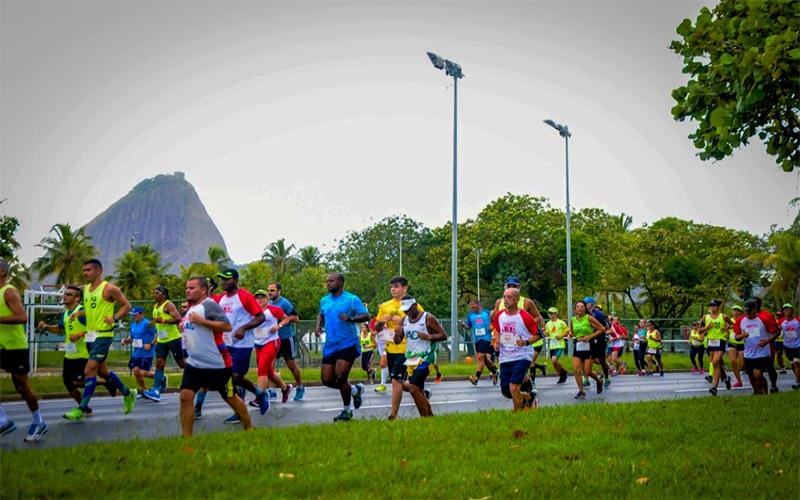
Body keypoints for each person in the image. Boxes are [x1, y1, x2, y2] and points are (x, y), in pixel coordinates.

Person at [64, 259, 137, 421]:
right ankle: (128, 392)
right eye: (84, 270)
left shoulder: (110, 289)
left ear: (99, 271)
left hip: (104, 335)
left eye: (88, 270)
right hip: (90, 336)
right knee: (103, 372)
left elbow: (127, 305)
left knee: (89, 370)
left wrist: (115, 317)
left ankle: (82, 409)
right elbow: (93, 311)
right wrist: (80, 314)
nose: (85, 273)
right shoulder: (86, 290)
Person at [179, 276, 252, 436]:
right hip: (194, 364)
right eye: (187, 288)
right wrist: (184, 326)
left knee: (231, 398)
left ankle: (249, 428)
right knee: (185, 397)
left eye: (192, 288)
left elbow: (226, 326)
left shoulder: (209, 306)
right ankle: (187, 440)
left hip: (217, 364)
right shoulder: (191, 307)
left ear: (204, 290)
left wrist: (201, 321)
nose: (188, 291)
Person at [195, 268, 265, 424]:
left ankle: (258, 393)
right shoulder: (221, 299)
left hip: (242, 344)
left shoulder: (244, 296)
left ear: (234, 280)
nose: (224, 282)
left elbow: (260, 317)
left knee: (236, 377)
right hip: (225, 343)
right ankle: (240, 411)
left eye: (226, 279)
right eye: (222, 279)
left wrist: (243, 328)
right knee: (227, 379)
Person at [38, 285, 110, 416]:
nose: (64, 296)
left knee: (77, 381)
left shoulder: (81, 312)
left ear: (77, 298)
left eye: (69, 294)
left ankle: (85, 407)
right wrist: (46, 326)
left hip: (83, 354)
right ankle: (88, 404)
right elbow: (60, 329)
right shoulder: (65, 313)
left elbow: (95, 329)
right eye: (65, 294)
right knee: (68, 383)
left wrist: (80, 335)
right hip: (70, 354)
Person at [0, 259, 47, 441]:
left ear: (3, 272)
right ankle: (3, 421)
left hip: (16, 346)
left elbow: (22, 317)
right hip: (1, 346)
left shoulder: (9, 292)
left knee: (22, 387)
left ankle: (39, 421)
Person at [315, 273, 369, 422]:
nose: (328, 284)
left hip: (348, 343)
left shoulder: (351, 299)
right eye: (327, 281)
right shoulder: (324, 300)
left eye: (331, 281)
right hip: (330, 345)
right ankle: (354, 390)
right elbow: (321, 315)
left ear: (341, 282)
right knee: (326, 380)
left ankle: (346, 411)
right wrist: (318, 326)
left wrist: (350, 319)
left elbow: (366, 316)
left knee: (340, 376)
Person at [377, 276, 429, 418]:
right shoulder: (385, 306)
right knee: (403, 383)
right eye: (391, 287)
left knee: (395, 381)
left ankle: (392, 415)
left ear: (405, 288)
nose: (393, 289)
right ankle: (421, 394)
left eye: (396, 286)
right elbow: (376, 328)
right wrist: (382, 322)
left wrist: (404, 321)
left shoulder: (414, 306)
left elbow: (423, 323)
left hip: (408, 350)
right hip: (391, 348)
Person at [392, 296, 448, 417]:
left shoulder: (428, 318)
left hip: (426, 357)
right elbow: (397, 341)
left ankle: (425, 417)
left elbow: (444, 335)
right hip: (411, 358)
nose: (407, 312)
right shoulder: (404, 320)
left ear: (415, 306)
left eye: (408, 309)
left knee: (412, 388)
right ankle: (430, 416)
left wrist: (428, 337)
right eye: (404, 310)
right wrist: (397, 334)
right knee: (418, 390)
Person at [491, 288, 541, 411]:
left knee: (514, 387)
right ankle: (529, 397)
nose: (506, 299)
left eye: (509, 297)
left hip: (522, 355)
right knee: (506, 391)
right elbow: (497, 330)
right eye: (504, 297)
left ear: (517, 300)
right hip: (505, 357)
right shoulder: (500, 315)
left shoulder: (524, 316)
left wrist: (526, 342)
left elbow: (538, 334)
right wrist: (497, 341)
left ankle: (517, 414)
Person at [251, 289, 293, 413]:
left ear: (267, 299)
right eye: (257, 298)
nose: (259, 300)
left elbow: (286, 319)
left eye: (262, 298)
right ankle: (285, 388)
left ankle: (260, 397)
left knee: (262, 369)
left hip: (272, 341)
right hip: (258, 343)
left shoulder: (273, 309)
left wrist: (278, 326)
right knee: (268, 372)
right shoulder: (252, 311)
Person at [142, 286, 184, 402]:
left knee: (181, 364)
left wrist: (164, 321)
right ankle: (156, 390)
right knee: (159, 364)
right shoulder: (155, 306)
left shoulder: (168, 305)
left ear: (163, 295)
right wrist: (153, 322)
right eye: (153, 293)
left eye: (157, 293)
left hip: (173, 339)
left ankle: (196, 377)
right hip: (161, 340)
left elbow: (178, 319)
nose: (154, 295)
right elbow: (158, 321)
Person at [734, 298, 779, 395]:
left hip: (762, 352)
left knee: (758, 374)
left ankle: (767, 391)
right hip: (748, 353)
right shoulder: (740, 320)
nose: (747, 313)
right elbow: (737, 337)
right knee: (751, 375)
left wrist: (766, 341)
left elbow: (776, 333)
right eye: (745, 311)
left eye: (749, 311)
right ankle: (756, 391)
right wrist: (742, 336)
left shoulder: (764, 318)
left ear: (755, 309)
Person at [268, 282, 305, 401]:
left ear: (279, 291)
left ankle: (300, 387)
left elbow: (296, 318)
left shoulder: (284, 303)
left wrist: (282, 320)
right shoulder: (267, 303)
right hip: (272, 339)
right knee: (270, 366)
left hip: (285, 338)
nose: (270, 293)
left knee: (291, 365)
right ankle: (272, 390)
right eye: (268, 290)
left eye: (272, 290)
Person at [570, 300, 606, 399]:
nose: (580, 308)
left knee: (587, 371)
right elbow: (572, 332)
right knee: (576, 370)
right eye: (578, 307)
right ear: (575, 309)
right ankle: (581, 391)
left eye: (582, 307)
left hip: (589, 346)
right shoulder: (572, 320)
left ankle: (599, 381)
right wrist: (570, 335)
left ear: (585, 309)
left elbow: (602, 329)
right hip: (578, 345)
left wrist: (590, 336)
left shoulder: (589, 318)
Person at [699, 299, 731, 396]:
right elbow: (699, 331)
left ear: (718, 307)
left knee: (715, 362)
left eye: (714, 305)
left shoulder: (724, 316)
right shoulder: (705, 317)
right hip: (710, 342)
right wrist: (707, 328)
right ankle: (725, 378)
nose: (712, 307)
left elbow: (733, 325)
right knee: (716, 364)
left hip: (720, 341)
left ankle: (714, 387)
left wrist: (726, 328)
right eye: (711, 305)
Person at [122, 306, 157, 394]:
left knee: (141, 372)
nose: (133, 316)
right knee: (136, 372)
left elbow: (157, 334)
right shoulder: (132, 325)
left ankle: (160, 377)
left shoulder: (147, 323)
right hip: (136, 353)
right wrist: (126, 341)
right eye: (132, 315)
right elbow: (132, 338)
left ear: (141, 314)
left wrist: (151, 344)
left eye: (135, 314)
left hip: (146, 353)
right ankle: (145, 390)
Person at [463, 299, 497, 385]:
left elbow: (497, 322)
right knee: (484, 359)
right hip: (477, 339)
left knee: (480, 357)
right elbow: (468, 327)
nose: (472, 309)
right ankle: (495, 372)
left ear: (478, 305)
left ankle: (476, 378)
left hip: (486, 338)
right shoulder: (470, 315)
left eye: (474, 307)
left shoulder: (487, 313)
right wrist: (464, 326)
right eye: (471, 307)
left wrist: (492, 326)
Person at [583, 297, 611, 388]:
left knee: (602, 360)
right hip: (588, 340)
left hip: (599, 339)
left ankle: (607, 377)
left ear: (591, 304)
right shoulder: (582, 315)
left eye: (586, 303)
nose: (584, 305)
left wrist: (596, 329)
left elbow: (607, 326)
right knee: (585, 359)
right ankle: (586, 379)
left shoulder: (598, 314)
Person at [776, 304, 799, 389]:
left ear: (792, 310)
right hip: (787, 346)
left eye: (788, 309)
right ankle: (798, 378)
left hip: (798, 345)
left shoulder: (798, 320)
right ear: (783, 312)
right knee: (793, 364)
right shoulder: (781, 321)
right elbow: (777, 332)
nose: (787, 310)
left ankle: (797, 382)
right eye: (785, 309)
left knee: (797, 363)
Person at [544, 307, 569, 383]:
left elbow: (567, 330)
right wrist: (545, 332)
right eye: (549, 313)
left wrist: (561, 335)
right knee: (554, 363)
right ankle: (562, 376)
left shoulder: (561, 322)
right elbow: (547, 333)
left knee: (554, 360)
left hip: (560, 344)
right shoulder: (548, 323)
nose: (550, 315)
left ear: (555, 314)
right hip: (552, 345)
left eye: (551, 313)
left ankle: (564, 371)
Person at [726, 305, 746, 387]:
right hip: (732, 343)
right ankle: (739, 381)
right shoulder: (729, 321)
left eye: (738, 310)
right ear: (732, 312)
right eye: (734, 310)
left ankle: (747, 370)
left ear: (741, 312)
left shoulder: (744, 320)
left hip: (742, 344)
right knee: (733, 361)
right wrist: (727, 330)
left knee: (742, 365)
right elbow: (727, 335)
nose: (736, 312)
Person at [373, 319, 390, 393]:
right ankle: (383, 385)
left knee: (383, 365)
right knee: (385, 367)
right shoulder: (377, 333)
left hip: (387, 350)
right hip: (382, 351)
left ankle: (383, 385)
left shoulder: (385, 330)